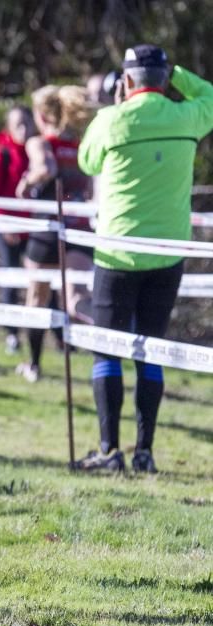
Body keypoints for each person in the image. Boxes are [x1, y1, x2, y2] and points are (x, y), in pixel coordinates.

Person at [75, 45, 213, 473]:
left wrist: (119, 105)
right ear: (164, 77)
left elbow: (86, 161)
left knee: (106, 350)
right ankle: (144, 452)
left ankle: (108, 449)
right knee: (150, 350)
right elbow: (208, 93)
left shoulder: (110, 119)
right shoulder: (187, 117)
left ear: (127, 82)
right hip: (168, 252)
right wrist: (177, 76)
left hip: (117, 252)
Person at [14, 85, 95, 383]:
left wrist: (26, 182)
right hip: (80, 230)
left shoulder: (40, 142)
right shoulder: (81, 145)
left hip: (48, 229)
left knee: (36, 299)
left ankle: (33, 365)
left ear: (41, 114)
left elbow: (45, 168)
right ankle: (108, 342)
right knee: (78, 300)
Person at [0, 105, 36, 353]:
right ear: (9, 127)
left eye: (27, 123)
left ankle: (48, 336)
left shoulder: (38, 153)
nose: (23, 129)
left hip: (33, 229)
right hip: (9, 230)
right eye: (18, 124)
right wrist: (4, 227)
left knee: (41, 282)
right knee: (10, 279)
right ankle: (12, 335)